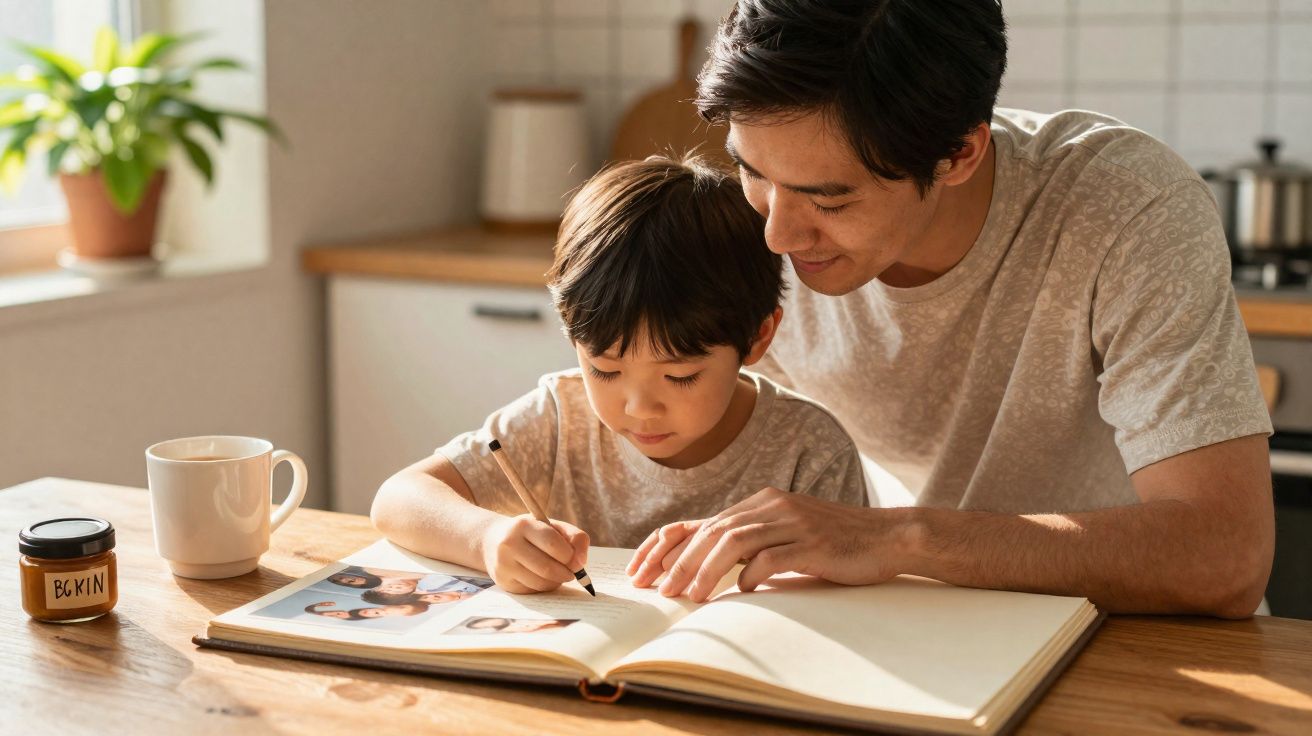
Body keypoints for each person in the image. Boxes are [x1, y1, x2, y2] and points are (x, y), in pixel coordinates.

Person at [628, 0, 1274, 618]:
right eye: (753, 171)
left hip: (1144, 642)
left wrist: (903, 539)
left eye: (828, 201)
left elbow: (1227, 556)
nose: (778, 236)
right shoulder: (739, 224)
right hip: (918, 625)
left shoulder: (1125, 207)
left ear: (960, 153)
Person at [371, 154, 869, 595]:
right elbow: (398, 499)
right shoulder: (560, 418)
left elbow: (851, 608)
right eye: (605, 370)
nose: (638, 408)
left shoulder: (812, 451)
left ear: (759, 337)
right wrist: (487, 538)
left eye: (681, 377)